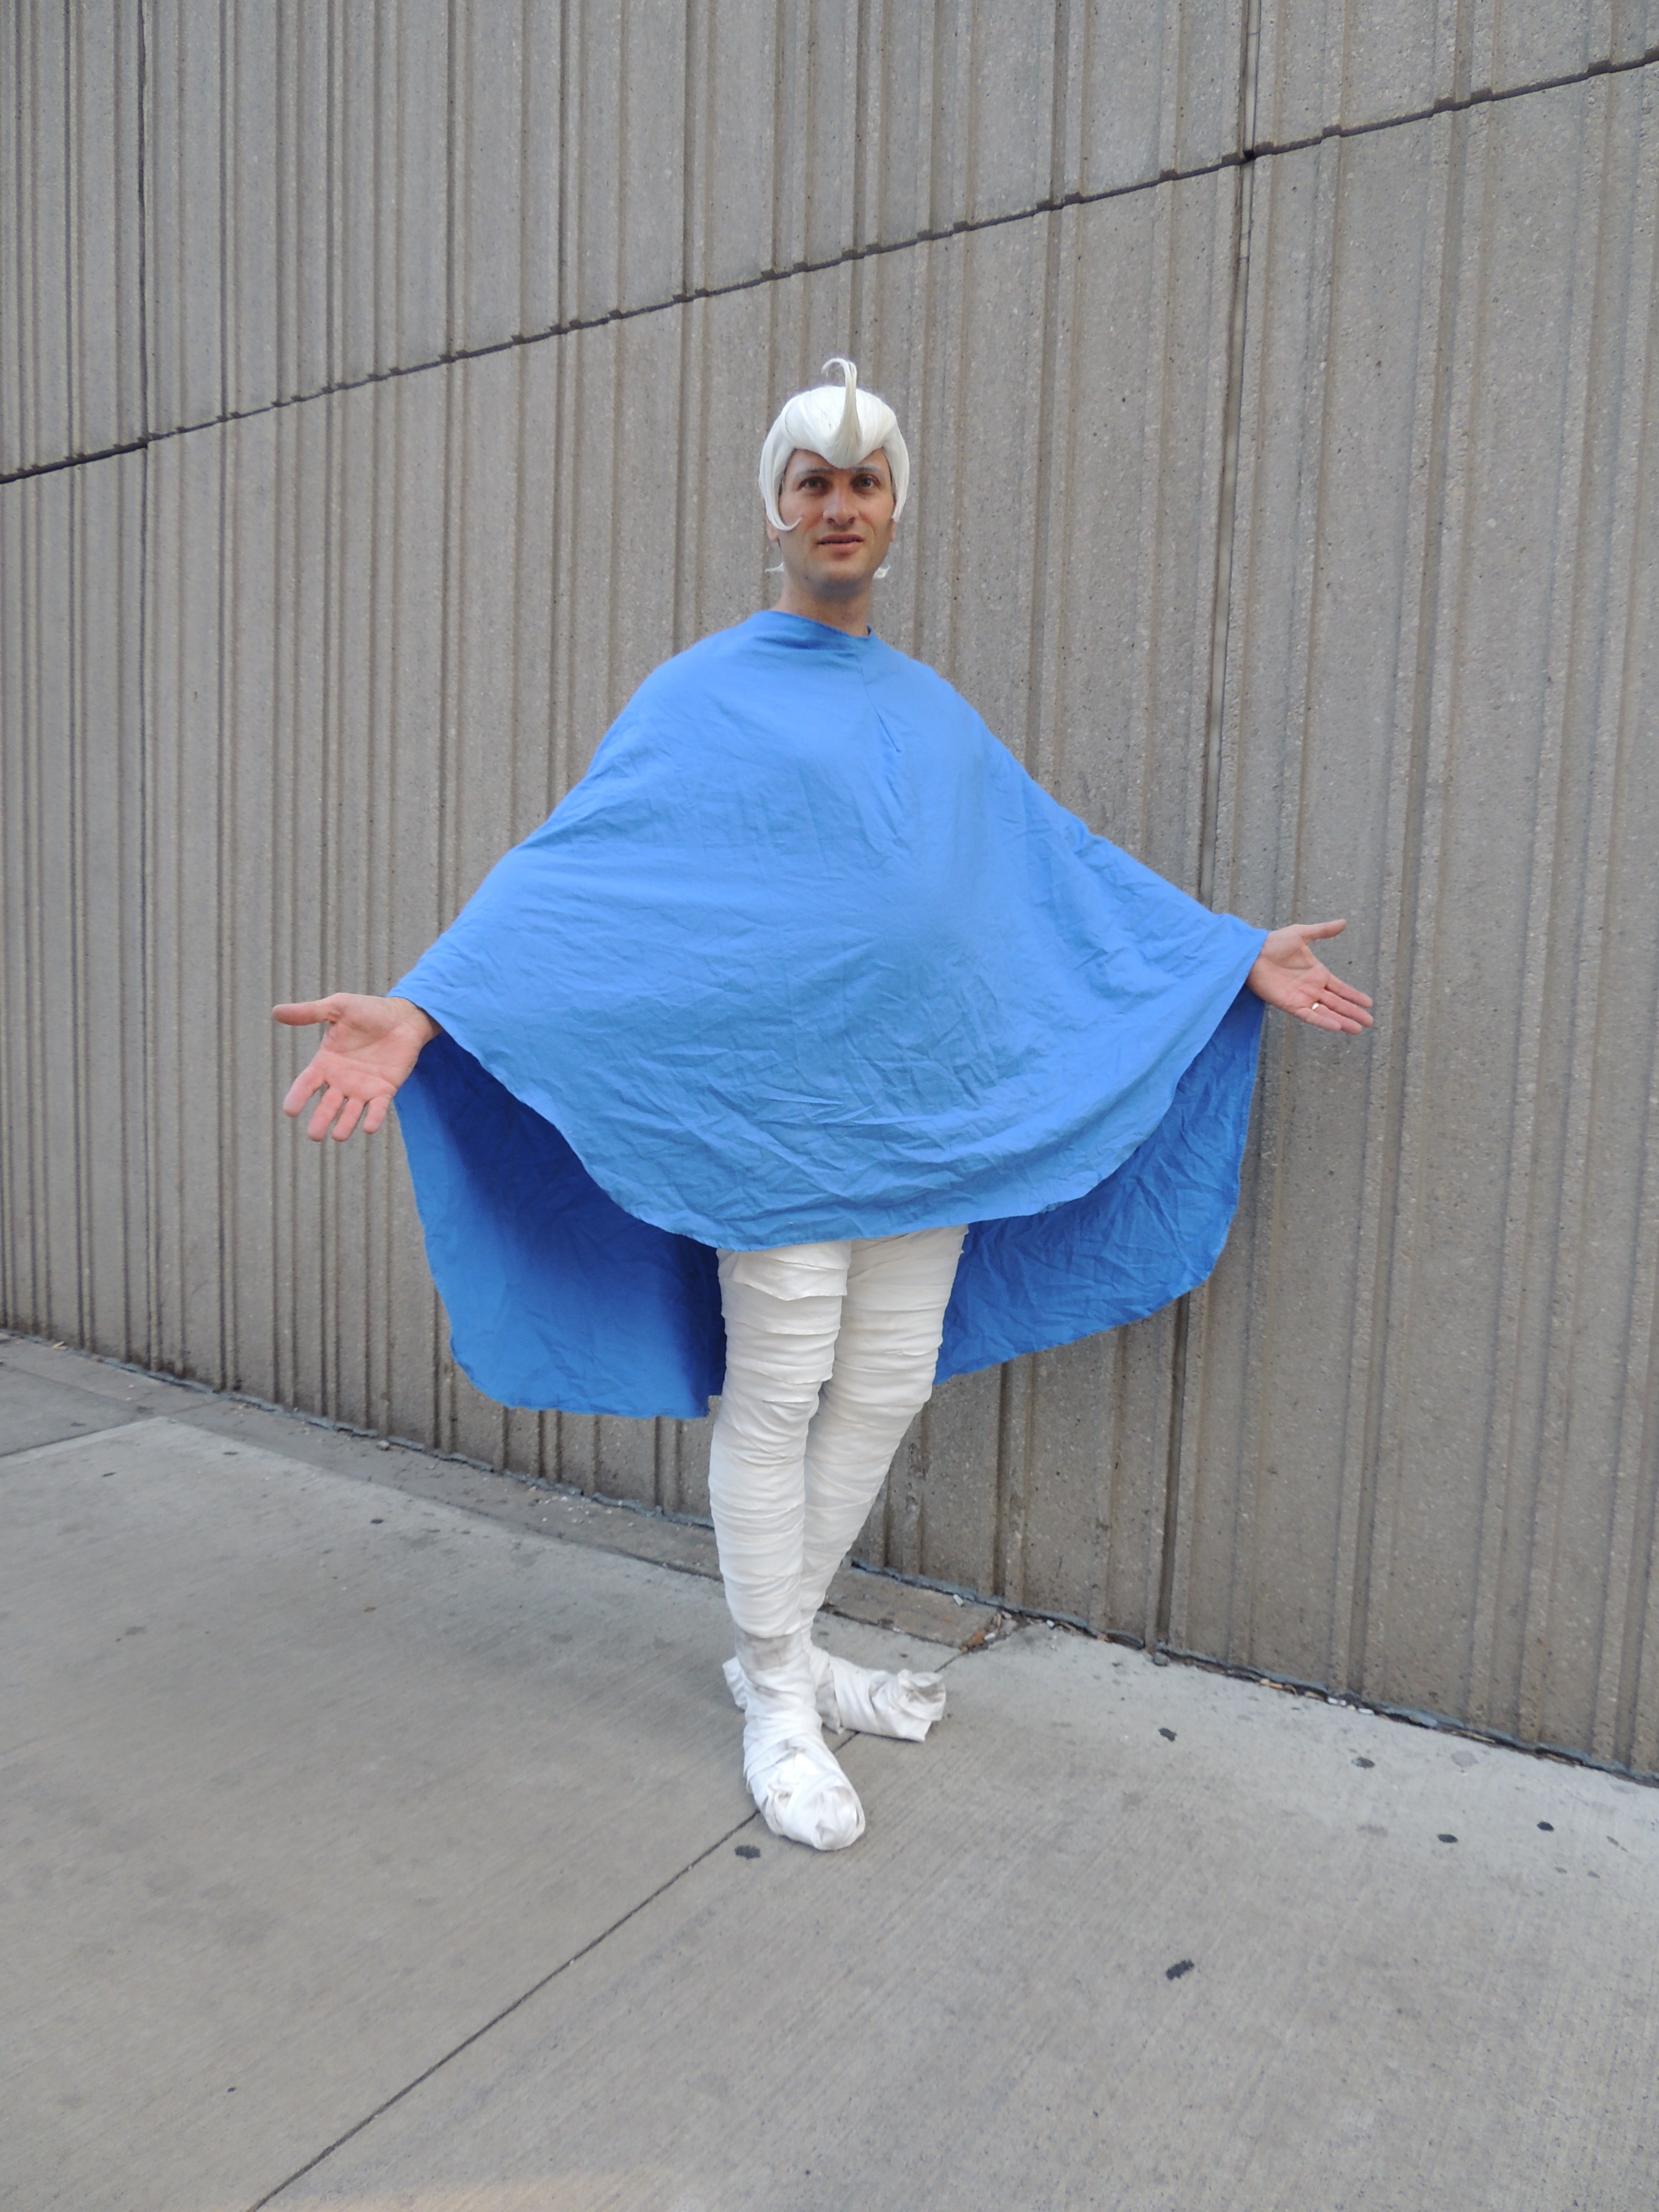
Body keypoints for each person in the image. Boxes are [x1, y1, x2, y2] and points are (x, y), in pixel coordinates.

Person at [276, 360, 1371, 1853]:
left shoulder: (933, 715)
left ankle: (779, 1654)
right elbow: (578, 872)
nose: (839, 504)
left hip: (926, 1124)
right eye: (813, 480)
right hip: (770, 1134)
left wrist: (1225, 954)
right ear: (775, 509)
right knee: (779, 1392)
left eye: (864, 482)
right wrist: (425, 1003)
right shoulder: (700, 694)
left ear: (895, 512)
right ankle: (782, 1694)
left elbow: (1057, 868)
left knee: (889, 1385)